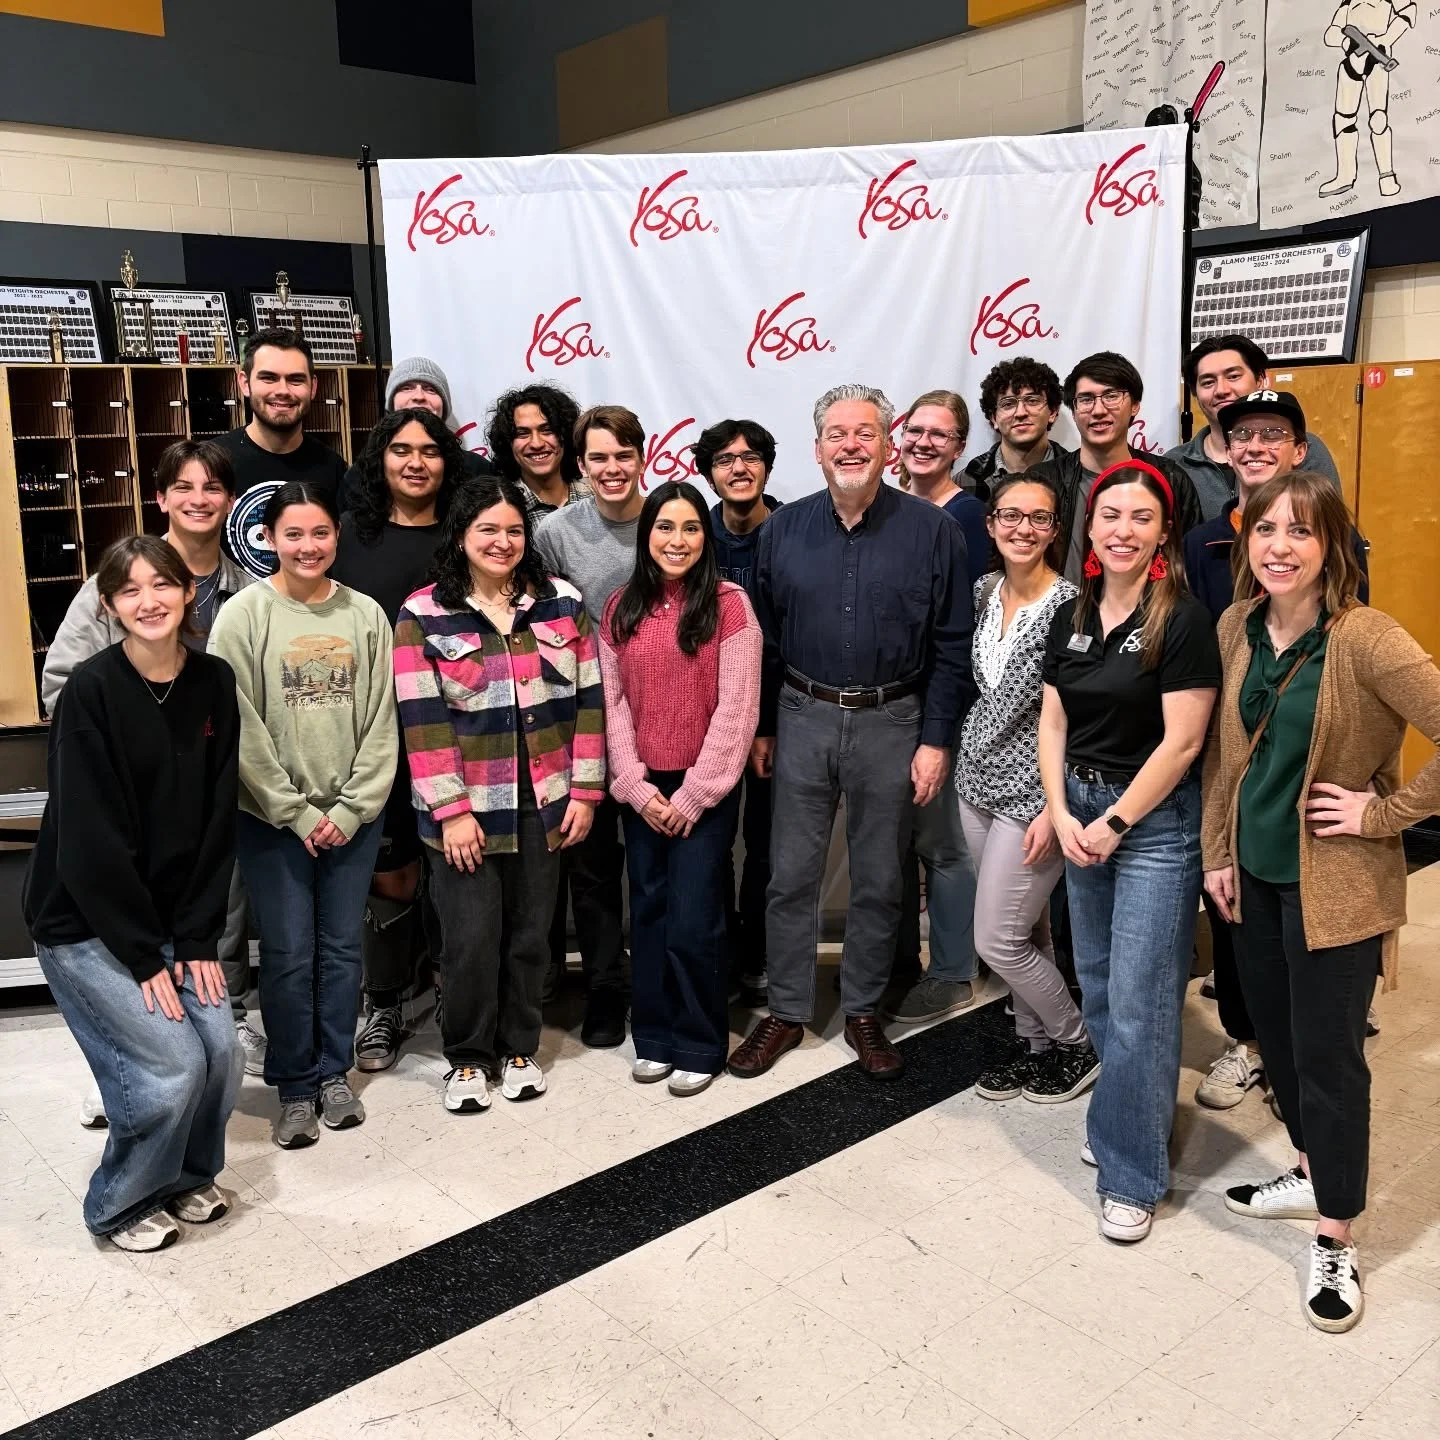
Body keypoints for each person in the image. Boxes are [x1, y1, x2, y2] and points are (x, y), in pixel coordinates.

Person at [1203, 468, 1440, 1333]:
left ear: (1331, 545)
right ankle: (1308, 1172)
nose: (1280, 547)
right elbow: (1226, 760)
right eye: (1266, 530)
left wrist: (1385, 812)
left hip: (1335, 888)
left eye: (1300, 531)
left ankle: (1335, 1230)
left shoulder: (1367, 638)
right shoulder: (1236, 627)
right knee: (1280, 1043)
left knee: (1332, 1061)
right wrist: (1218, 854)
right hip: (1255, 882)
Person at [729, 383, 974, 1082]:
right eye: (837, 434)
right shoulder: (781, 530)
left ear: (889, 445)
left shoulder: (934, 532)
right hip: (802, 715)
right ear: (816, 448)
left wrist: (934, 740)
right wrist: (766, 728)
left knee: (877, 878)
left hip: (894, 720)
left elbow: (953, 645)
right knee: (789, 876)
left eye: (865, 433)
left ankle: (864, 1009)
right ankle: (786, 1009)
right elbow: (766, 642)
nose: (851, 446)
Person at [23, 535, 242, 1252]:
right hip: (86, 920)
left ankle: (184, 1177)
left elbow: (215, 820)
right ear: (111, 606)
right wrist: (148, 956)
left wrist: (199, 937)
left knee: (224, 1052)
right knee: (172, 1067)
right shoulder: (91, 688)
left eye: (163, 585)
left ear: (188, 593)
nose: (148, 601)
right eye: (130, 590)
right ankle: (119, 1202)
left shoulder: (212, 682)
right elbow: (89, 844)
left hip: (169, 920)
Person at [42, 442, 264, 1111]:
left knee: (212, 923)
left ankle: (207, 1042)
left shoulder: (246, 589)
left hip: (200, 804)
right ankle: (129, 1064)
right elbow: (64, 687)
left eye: (212, 486)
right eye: (183, 486)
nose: (198, 498)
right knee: (131, 954)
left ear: (228, 500)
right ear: (161, 496)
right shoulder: (116, 580)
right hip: (123, 807)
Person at [1038, 458, 1219, 1243]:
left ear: (1163, 532)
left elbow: (1182, 745)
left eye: (1140, 518)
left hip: (1148, 824)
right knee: (1103, 984)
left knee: (1145, 1000)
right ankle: (1125, 1116)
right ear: (1091, 527)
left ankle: (1132, 1171)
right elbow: (1053, 720)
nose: (1122, 530)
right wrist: (1059, 808)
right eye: (1109, 515)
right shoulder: (1072, 610)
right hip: (1078, 807)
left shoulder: (1181, 618)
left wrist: (1112, 825)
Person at [1184, 389, 1369, 1110]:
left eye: (1274, 434)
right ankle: (1251, 1041)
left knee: (1305, 915)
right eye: (1242, 436)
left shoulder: (1336, 536)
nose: (1256, 446)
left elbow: (1352, 654)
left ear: (1298, 448)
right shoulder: (1202, 540)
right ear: (1224, 450)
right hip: (1228, 743)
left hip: (1306, 751)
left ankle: (1307, 1048)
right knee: (1235, 914)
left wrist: (1379, 801)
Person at [394, 477, 604, 1112]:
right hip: (465, 817)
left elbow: (589, 703)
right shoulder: (423, 613)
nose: (502, 541)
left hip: (547, 804)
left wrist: (586, 792)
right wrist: (452, 812)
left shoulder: (561, 604)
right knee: (468, 940)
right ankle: (467, 1056)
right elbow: (421, 720)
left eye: (514, 530)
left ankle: (519, 1048)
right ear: (461, 535)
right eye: (487, 529)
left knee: (530, 935)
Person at [208, 482, 397, 1149]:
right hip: (269, 820)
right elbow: (240, 725)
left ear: (336, 537)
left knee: (343, 950)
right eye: (294, 534)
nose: (308, 546)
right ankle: (293, 1085)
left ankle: (332, 1072)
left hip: (352, 820)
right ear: (270, 538)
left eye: (320, 533)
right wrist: (291, 810)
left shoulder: (366, 616)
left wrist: (348, 811)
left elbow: (382, 720)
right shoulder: (244, 616)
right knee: (288, 955)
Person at [599, 480, 762, 1096]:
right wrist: (635, 787)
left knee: (695, 916)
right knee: (648, 911)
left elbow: (738, 709)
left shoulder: (730, 605)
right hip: (642, 785)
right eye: (664, 527)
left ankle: (699, 1040)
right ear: (646, 537)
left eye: (691, 527)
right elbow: (612, 702)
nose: (678, 539)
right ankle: (657, 1037)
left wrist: (696, 793)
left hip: (706, 789)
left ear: (706, 536)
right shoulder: (621, 607)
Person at [332, 408, 467, 1072]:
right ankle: (383, 1002)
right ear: (379, 459)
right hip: (374, 735)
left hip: (458, 735)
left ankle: (451, 993)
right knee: (391, 873)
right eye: (401, 449)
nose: (416, 462)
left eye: (430, 451)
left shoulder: (463, 536)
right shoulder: (351, 539)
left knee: (453, 867)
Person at [957, 471, 1095, 1102]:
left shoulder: (1074, 608)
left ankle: (1076, 1042)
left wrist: (1053, 805)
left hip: (1033, 796)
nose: (1023, 528)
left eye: (1038, 518)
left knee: (997, 938)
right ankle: (1033, 1045)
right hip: (975, 784)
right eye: (1010, 516)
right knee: (1027, 929)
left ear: (1054, 530)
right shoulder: (985, 589)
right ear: (991, 525)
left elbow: (1078, 717)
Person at [533, 405, 647, 1047]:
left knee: (658, 865)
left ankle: (656, 979)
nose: (611, 468)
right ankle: (606, 988)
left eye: (622, 455)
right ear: (581, 464)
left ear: (642, 456)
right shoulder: (554, 532)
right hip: (586, 726)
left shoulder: (668, 520)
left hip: (662, 720)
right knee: (594, 870)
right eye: (598, 457)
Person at [884, 390, 983, 1024]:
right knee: (887, 846)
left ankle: (952, 971)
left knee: (942, 844)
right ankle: (893, 965)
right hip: (883, 706)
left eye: (939, 434)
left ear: (960, 446)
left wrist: (943, 722)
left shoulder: (973, 517)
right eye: (915, 430)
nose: (924, 442)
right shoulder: (883, 510)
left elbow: (965, 623)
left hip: (946, 703)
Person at [696, 418, 780, 1007]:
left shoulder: (799, 530)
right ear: (708, 472)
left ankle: (759, 956)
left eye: (751, 457)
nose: (739, 467)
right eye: (725, 459)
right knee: (712, 846)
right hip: (710, 720)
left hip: (780, 715)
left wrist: (767, 725)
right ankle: (719, 959)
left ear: (768, 467)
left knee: (770, 846)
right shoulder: (695, 534)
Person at [1035, 351, 1203, 585]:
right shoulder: (1043, 482)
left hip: (1150, 615)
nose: (1098, 410)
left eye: (1111, 396)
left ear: (1135, 405)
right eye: (1085, 399)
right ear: (1073, 411)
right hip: (1062, 617)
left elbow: (1191, 563)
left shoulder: (1170, 479)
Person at [1167, 336, 1343, 521]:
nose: (1221, 390)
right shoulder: (1174, 464)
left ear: (1260, 380)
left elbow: (1330, 527)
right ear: (1195, 393)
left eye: (1233, 376)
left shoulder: (1305, 449)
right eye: (1208, 382)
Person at [338, 356, 493, 511]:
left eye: (430, 389)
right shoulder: (361, 474)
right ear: (391, 404)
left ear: (444, 406)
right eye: (407, 388)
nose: (419, 396)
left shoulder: (477, 469)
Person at [214, 328, 348, 503]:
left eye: (296, 379)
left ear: (313, 387)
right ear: (245, 383)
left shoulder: (333, 467)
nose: (283, 391)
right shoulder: (213, 463)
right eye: (269, 378)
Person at [964, 357, 1072, 501]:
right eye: (1008, 404)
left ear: (1052, 412)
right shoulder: (968, 478)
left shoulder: (1077, 475)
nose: (1021, 413)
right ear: (994, 418)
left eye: (1032, 401)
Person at [487, 383, 592, 519]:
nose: (536, 444)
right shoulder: (499, 511)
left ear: (565, 434)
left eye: (547, 430)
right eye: (522, 433)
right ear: (508, 443)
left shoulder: (596, 498)